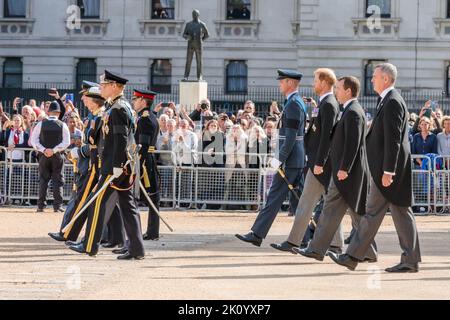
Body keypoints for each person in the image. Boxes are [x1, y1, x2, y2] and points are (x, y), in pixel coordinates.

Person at [329, 63, 421, 273]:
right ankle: (355, 256)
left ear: (386, 79)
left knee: (391, 214)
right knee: (380, 214)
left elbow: (394, 140)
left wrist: (389, 171)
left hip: (389, 172)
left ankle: (355, 256)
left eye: (375, 77)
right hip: (385, 171)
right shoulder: (387, 100)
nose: (371, 80)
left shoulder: (392, 102)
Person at [294, 76, 377, 263]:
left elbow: (353, 144)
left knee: (353, 213)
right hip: (344, 172)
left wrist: (344, 168)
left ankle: (321, 249)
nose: (336, 91)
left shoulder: (354, 111)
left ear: (348, 91)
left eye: (338, 88)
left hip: (348, 173)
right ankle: (318, 248)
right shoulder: (349, 110)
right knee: (335, 210)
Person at [68, 70, 145, 260]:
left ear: (114, 86)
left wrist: (117, 165)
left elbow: (121, 139)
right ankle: (137, 249)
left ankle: (90, 246)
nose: (100, 88)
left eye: (103, 85)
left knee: (97, 203)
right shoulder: (115, 106)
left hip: (115, 167)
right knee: (128, 207)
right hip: (116, 165)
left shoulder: (118, 109)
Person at [270, 68, 342, 254]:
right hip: (319, 162)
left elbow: (326, 136)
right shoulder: (324, 102)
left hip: (320, 164)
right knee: (329, 204)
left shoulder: (328, 104)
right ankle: (335, 244)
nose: (313, 84)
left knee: (306, 204)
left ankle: (294, 241)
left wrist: (319, 162)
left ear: (325, 82)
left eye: (316, 80)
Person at [235, 69, 306, 247]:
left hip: (289, 161)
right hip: (293, 160)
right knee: (298, 202)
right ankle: (305, 239)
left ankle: (257, 234)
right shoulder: (293, 102)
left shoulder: (294, 104)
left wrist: (277, 160)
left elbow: (290, 138)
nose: (279, 84)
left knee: (274, 197)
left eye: (282, 81)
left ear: (290, 82)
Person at [30, 101, 71, 213]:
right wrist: (54, 150)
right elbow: (66, 142)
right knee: (58, 180)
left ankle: (41, 206)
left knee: (43, 179)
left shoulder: (41, 124)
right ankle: (57, 206)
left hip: (43, 155)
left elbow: (34, 140)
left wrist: (44, 150)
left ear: (48, 112)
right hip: (57, 156)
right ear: (58, 113)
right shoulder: (62, 125)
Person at [132, 89, 161, 241]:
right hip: (148, 160)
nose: (133, 102)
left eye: (136, 99)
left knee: (133, 198)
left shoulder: (145, 119)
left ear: (143, 101)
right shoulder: (151, 117)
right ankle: (152, 231)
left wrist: (136, 164)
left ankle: (140, 232)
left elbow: (142, 145)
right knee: (152, 199)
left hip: (143, 163)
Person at [182, 10, 209, 80]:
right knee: (188, 61)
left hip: (199, 46)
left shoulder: (202, 24)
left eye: (195, 14)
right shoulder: (188, 24)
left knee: (199, 61)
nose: (194, 15)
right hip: (190, 45)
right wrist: (187, 37)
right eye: (193, 14)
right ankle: (186, 76)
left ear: (198, 15)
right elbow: (184, 34)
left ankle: (199, 76)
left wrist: (201, 40)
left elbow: (207, 35)